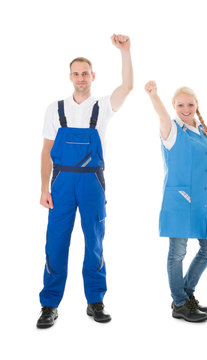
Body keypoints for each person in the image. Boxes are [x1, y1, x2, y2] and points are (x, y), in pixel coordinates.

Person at [37, 34, 133, 328]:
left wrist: (125, 52)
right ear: (70, 77)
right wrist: (44, 188)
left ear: (93, 76)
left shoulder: (102, 107)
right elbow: (46, 151)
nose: (81, 77)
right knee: (55, 244)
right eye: (76, 73)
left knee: (94, 243)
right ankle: (49, 305)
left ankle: (95, 301)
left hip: (92, 183)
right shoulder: (55, 109)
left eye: (85, 73)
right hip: (62, 184)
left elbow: (127, 86)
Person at [145, 81, 207, 323]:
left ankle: (185, 294)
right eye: (180, 105)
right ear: (174, 107)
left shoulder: (205, 129)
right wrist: (154, 95)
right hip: (181, 199)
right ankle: (180, 303)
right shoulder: (172, 129)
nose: (185, 108)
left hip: (204, 199)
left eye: (190, 104)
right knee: (178, 252)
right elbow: (161, 114)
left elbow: (206, 159)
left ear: (197, 105)